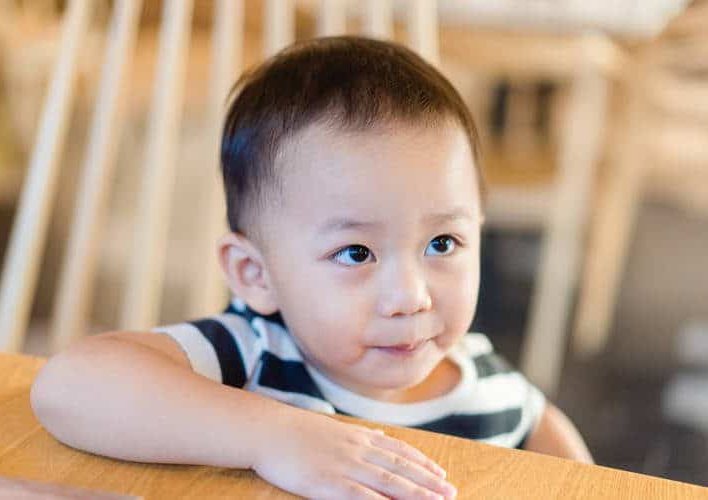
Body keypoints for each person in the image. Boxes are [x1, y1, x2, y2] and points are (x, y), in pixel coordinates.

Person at [31, 36, 592, 500]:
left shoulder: (492, 391)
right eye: (356, 253)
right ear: (257, 275)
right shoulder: (254, 358)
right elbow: (68, 386)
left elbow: (584, 481)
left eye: (442, 242)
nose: (410, 296)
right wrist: (274, 438)